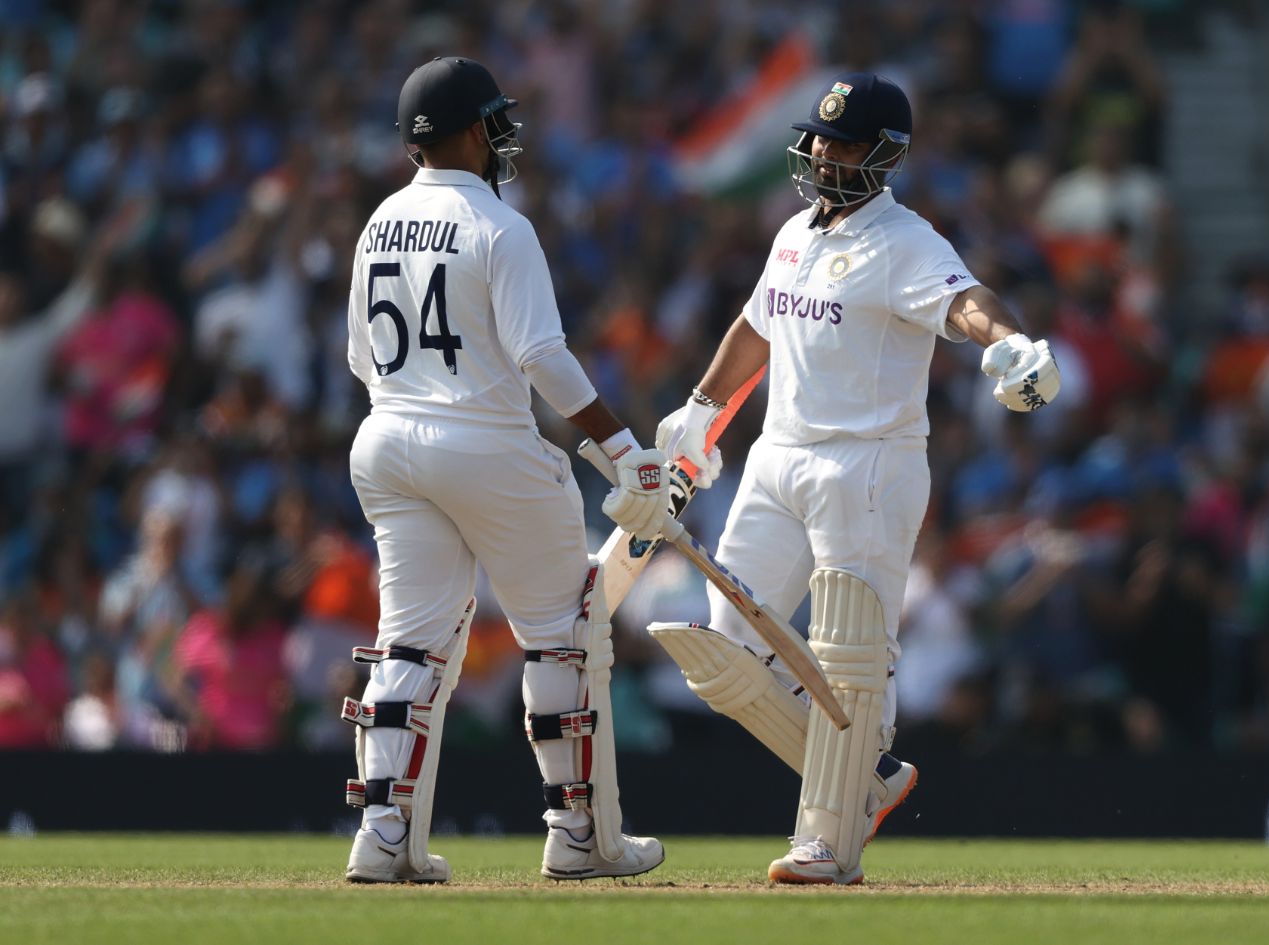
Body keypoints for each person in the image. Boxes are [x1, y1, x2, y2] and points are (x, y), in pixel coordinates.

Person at [620, 73, 1060, 884]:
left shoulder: (907, 242)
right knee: (721, 650)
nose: (824, 152)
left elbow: (968, 301)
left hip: (869, 463)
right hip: (778, 457)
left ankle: (827, 839)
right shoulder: (793, 232)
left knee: (852, 651)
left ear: (886, 155)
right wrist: (698, 408)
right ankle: (870, 778)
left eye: (846, 142)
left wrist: (1005, 343)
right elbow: (756, 327)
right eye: (820, 138)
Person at [341, 57, 671, 884]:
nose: (501, 137)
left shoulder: (379, 220)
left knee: (408, 646)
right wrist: (621, 450)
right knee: (564, 637)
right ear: (461, 132)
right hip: (485, 441)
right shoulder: (500, 223)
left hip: (386, 438)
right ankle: (581, 834)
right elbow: (541, 357)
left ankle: (384, 835)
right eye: (491, 122)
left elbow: (358, 358)